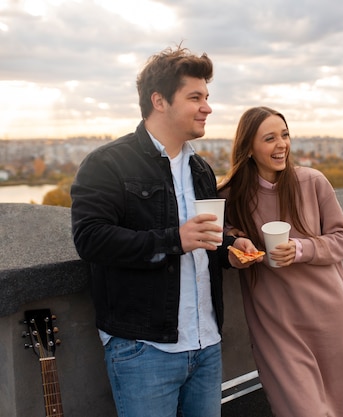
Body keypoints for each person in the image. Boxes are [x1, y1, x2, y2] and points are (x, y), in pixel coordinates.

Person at [71, 46, 260, 417]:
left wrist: (232, 248)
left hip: (206, 343)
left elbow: (206, 240)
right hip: (144, 348)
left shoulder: (201, 169)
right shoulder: (107, 164)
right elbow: (90, 239)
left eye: (207, 97)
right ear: (159, 100)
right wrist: (174, 239)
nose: (207, 107)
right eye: (195, 97)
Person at [218, 106, 343, 417]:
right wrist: (236, 252)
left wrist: (301, 249)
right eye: (269, 138)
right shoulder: (229, 197)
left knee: (335, 411)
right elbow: (220, 245)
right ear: (248, 148)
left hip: (328, 317)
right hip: (276, 326)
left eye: (285, 135)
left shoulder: (313, 181)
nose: (282, 144)